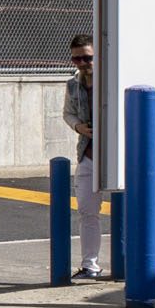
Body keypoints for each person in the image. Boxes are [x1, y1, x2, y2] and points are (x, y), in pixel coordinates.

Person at [62, 33, 104, 278]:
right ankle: (90, 264)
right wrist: (79, 127)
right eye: (76, 59)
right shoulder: (73, 84)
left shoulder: (110, 79)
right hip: (87, 153)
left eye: (87, 58)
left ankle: (135, 263)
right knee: (87, 211)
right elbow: (68, 113)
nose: (82, 63)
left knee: (131, 210)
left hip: (115, 154)